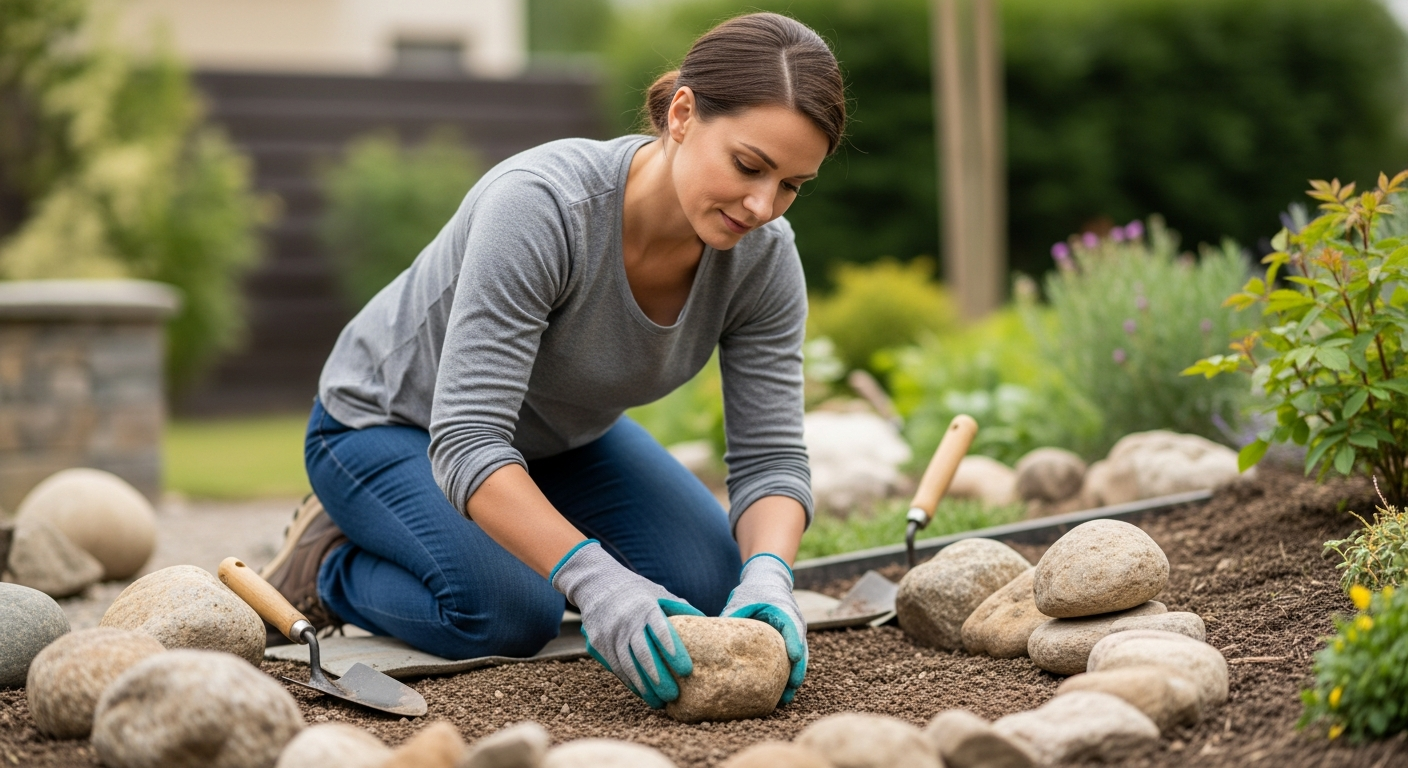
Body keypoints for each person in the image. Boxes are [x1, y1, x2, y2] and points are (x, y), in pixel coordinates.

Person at [260, 12, 847, 709]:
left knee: (718, 582)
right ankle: (328, 562)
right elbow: (469, 440)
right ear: (683, 113)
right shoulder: (543, 208)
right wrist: (594, 580)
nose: (761, 205)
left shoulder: (765, 258)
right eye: (749, 166)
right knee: (511, 611)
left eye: (790, 185)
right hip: (388, 426)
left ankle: (520, 537)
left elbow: (772, 458)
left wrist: (771, 574)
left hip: (557, 442)